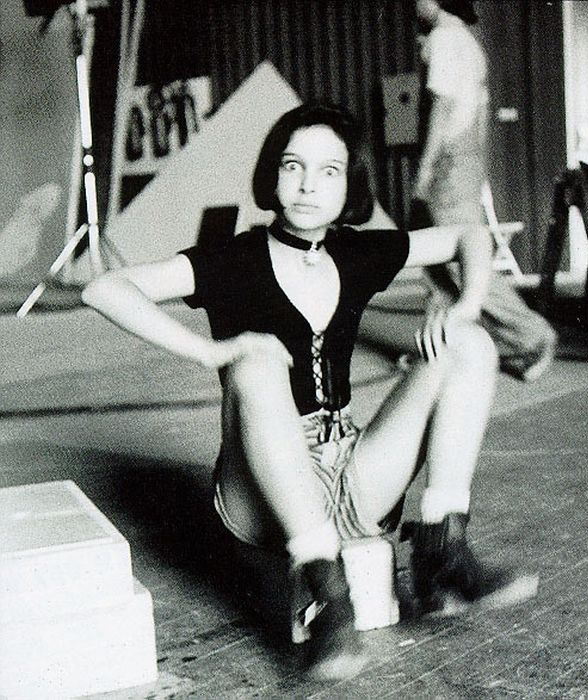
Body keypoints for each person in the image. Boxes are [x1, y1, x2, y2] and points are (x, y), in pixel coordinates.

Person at [82, 103, 533, 681]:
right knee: (256, 361)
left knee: (468, 343)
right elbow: (104, 289)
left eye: (329, 171)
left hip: (353, 475)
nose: (308, 185)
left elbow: (470, 235)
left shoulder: (355, 252)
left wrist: (465, 306)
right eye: (293, 166)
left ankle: (442, 551)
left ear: (350, 186)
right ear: (272, 175)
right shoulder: (233, 260)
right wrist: (212, 352)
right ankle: (324, 588)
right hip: (261, 496)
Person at [413, 0, 557, 382]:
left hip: (449, 159)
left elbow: (442, 107)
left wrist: (426, 166)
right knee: (437, 265)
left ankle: (532, 337)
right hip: (467, 156)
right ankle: (440, 346)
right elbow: (479, 115)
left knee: (461, 258)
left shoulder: (444, 37)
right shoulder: (468, 41)